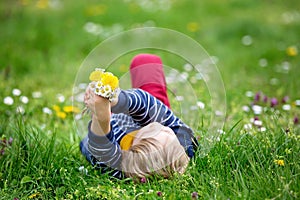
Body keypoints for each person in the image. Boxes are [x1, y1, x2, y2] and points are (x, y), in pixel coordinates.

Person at [80, 54, 198, 180]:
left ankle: (101, 125)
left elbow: (101, 148)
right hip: (145, 112)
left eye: (154, 130)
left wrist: (101, 118)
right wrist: (117, 100)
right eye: (172, 136)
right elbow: (146, 103)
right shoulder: (183, 139)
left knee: (88, 146)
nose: (166, 128)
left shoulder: (119, 166)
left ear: (137, 141)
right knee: (146, 62)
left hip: (105, 135)